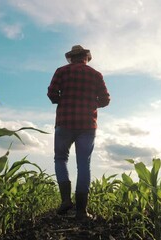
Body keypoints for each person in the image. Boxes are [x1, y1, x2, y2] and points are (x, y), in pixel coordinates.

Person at [47, 45, 110, 220]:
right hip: (87, 125)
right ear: (86, 57)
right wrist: (91, 104)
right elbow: (105, 99)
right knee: (83, 164)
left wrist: (63, 101)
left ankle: (66, 201)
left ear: (72, 58)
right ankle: (81, 211)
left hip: (64, 122)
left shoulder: (61, 71)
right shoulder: (96, 75)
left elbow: (51, 93)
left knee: (60, 159)